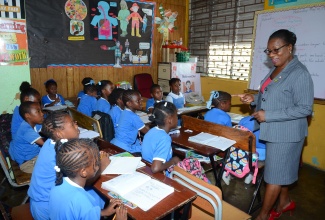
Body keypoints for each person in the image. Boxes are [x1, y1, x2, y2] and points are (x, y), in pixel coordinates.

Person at [237, 29, 314, 220]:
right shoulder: (277, 68)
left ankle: (263, 216)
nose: (272, 55)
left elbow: (305, 108)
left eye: (276, 50)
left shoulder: (299, 73)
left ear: (289, 48)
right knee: (282, 171)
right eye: (269, 51)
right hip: (274, 131)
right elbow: (272, 95)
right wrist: (254, 98)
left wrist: (268, 115)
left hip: (286, 134)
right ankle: (284, 203)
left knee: (273, 176)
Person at [49, 139, 127, 220]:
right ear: (84, 172)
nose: (99, 163)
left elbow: (79, 212)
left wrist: (104, 212)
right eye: (97, 162)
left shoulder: (57, 185)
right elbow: (83, 210)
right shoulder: (83, 202)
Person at [28, 112, 79, 219]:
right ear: (59, 134)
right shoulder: (63, 153)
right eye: (72, 124)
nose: (76, 125)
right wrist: (103, 165)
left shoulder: (50, 142)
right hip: (47, 207)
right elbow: (83, 175)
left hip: (39, 201)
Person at [142, 102, 180, 175]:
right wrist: (173, 161)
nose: (177, 118)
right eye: (176, 116)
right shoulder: (165, 138)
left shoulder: (151, 131)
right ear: (170, 120)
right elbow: (155, 168)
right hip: (160, 176)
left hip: (146, 169)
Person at [9, 101, 45, 173]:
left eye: (41, 111)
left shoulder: (36, 124)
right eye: (38, 112)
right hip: (27, 163)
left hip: (35, 156)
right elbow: (44, 143)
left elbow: (47, 131)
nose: (42, 114)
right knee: (50, 171)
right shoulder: (26, 130)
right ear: (27, 115)